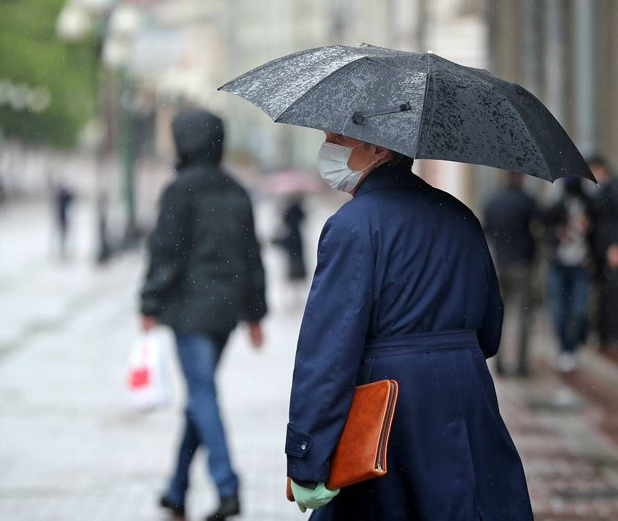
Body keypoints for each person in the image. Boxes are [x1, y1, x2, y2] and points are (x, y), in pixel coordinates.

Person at [286, 133, 533, 520]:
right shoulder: (460, 215)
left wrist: (306, 454)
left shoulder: (353, 225)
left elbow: (330, 352)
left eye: (339, 137)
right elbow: (490, 329)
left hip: (391, 411)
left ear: (379, 148)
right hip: (467, 399)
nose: (328, 144)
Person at [141, 109, 267, 521]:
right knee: (201, 395)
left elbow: (167, 252)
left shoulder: (180, 190)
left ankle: (228, 486)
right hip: (225, 313)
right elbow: (252, 255)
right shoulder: (236, 190)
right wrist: (254, 313)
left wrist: (149, 302)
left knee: (202, 394)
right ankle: (176, 490)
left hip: (190, 312)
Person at [482, 171, 539, 376]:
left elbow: (487, 229)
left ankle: (499, 363)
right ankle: (521, 364)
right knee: (524, 316)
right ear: (521, 178)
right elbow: (537, 226)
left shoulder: (493, 200)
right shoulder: (526, 201)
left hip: (499, 264)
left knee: (499, 315)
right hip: (521, 264)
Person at [542, 178, 593, 373]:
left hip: (580, 264)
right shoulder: (557, 204)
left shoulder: (589, 204)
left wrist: (589, 227)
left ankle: (573, 344)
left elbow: (598, 228)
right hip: (559, 264)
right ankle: (565, 348)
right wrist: (558, 232)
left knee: (579, 310)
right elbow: (544, 226)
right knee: (559, 310)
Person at [587, 156, 618, 347]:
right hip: (604, 251)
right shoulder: (605, 189)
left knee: (616, 292)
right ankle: (609, 334)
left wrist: (617, 245)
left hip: (612, 250)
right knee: (608, 293)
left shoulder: (616, 188)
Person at [272, 197, 308, 304]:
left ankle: (295, 295)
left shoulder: (291, 227)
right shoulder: (295, 227)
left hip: (294, 253)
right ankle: (296, 295)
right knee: (296, 272)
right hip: (296, 252)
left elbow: (287, 241)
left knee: (295, 272)